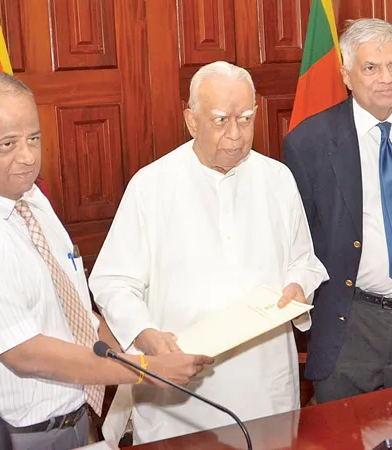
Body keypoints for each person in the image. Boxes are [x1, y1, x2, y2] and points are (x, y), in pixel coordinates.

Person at [0, 70, 214, 450]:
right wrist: (144, 370)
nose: (28, 157)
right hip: (8, 438)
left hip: (69, 421)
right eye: (7, 144)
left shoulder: (21, 193)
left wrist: (138, 348)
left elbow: (72, 312)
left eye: (33, 138)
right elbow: (24, 353)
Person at [88, 60, 328, 444]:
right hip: (179, 393)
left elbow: (302, 260)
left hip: (264, 384)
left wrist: (298, 285)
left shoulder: (278, 179)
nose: (235, 134)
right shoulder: (151, 186)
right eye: (220, 120)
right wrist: (146, 334)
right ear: (191, 120)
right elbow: (113, 282)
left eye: (246, 119)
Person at [283, 18, 392, 404]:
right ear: (346, 75)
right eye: (371, 68)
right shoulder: (309, 143)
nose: (386, 79)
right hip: (351, 323)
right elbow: (300, 238)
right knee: (346, 430)